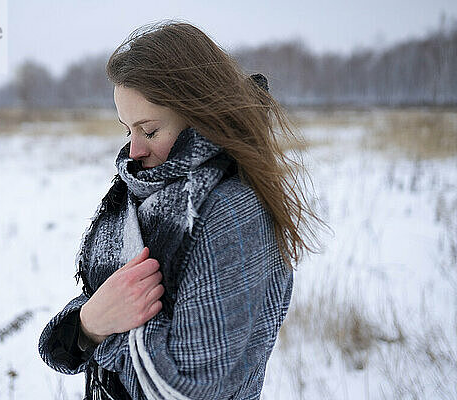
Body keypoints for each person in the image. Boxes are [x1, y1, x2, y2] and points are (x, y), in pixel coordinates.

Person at [38, 20, 326, 400]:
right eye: (128, 131)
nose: (133, 151)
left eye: (150, 131)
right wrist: (90, 322)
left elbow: (190, 390)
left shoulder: (228, 211)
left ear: (200, 114)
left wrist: (102, 332)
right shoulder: (146, 193)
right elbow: (76, 333)